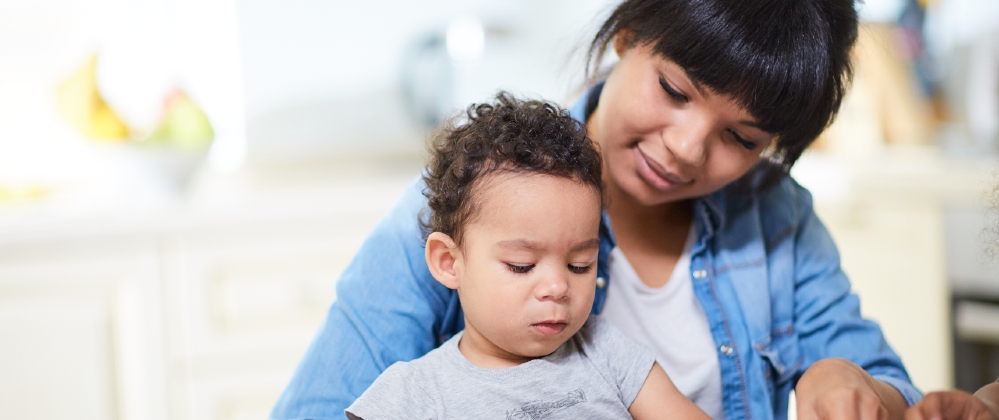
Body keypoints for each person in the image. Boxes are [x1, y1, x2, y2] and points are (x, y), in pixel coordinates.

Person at [271, 1, 922, 419]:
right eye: (673, 90)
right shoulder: (471, 204)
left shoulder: (776, 216)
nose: (686, 149)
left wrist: (852, 384)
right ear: (629, 33)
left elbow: (891, 385)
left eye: (741, 139)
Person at [344, 92, 709, 420]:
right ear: (448, 262)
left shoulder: (604, 349)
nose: (557, 287)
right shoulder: (413, 395)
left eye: (579, 265)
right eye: (522, 265)